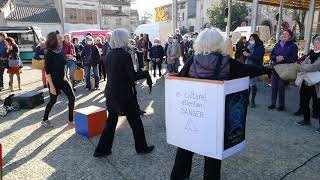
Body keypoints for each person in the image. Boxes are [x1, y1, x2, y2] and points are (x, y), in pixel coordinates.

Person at [171, 28, 271, 180]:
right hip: (214, 116)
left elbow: (179, 81)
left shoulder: (192, 60)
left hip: (192, 112)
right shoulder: (226, 62)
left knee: (185, 147)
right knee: (213, 153)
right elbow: (246, 70)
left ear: (200, 43)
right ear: (219, 43)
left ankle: (178, 176)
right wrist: (266, 70)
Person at [94, 29, 154, 157]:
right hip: (124, 94)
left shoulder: (109, 54)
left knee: (111, 122)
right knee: (135, 121)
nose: (128, 39)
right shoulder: (124, 54)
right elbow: (132, 76)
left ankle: (101, 150)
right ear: (123, 39)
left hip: (111, 92)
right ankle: (141, 147)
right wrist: (145, 73)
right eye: (127, 37)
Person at [42, 31, 75, 128]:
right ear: (53, 40)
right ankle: (44, 119)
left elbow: (63, 65)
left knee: (72, 98)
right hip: (54, 82)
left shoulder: (60, 50)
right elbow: (47, 72)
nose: (61, 39)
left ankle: (70, 121)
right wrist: (51, 87)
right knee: (53, 101)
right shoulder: (49, 54)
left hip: (64, 80)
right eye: (59, 38)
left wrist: (68, 58)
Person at [269, 29, 298, 111]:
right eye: (283, 33)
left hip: (285, 69)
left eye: (286, 34)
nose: (284, 35)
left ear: (290, 36)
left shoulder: (293, 46)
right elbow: (272, 56)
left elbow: (294, 58)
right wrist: (276, 57)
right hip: (276, 68)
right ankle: (273, 103)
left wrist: (283, 58)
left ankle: (281, 105)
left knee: (281, 87)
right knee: (274, 87)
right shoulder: (277, 44)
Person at [296, 36, 320, 133]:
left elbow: (314, 67)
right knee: (304, 100)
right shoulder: (311, 53)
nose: (315, 45)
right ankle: (306, 119)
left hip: (317, 83)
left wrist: (304, 66)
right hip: (307, 80)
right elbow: (304, 63)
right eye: (315, 43)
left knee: (318, 104)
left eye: (318, 43)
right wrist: (305, 66)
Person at [243, 34, 265, 108]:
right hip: (247, 65)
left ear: (256, 39)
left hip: (255, 66)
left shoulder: (260, 46)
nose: (251, 40)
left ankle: (252, 100)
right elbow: (244, 55)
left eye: (252, 38)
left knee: (253, 83)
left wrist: (249, 55)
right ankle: (247, 100)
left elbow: (258, 57)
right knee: (247, 83)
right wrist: (244, 54)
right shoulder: (248, 46)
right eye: (250, 38)